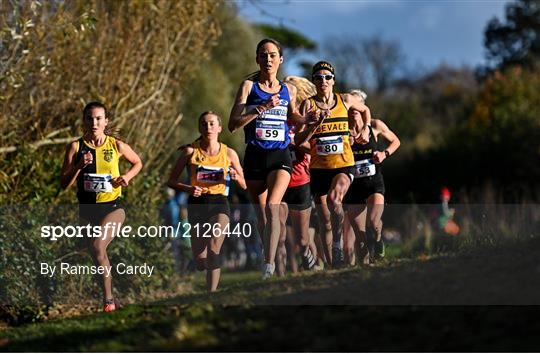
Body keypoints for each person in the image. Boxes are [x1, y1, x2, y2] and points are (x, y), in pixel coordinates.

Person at [228, 38, 308, 279]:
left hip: (280, 154)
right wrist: (260, 108)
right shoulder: (248, 87)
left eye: (272, 55)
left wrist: (308, 120)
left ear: (280, 60)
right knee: (263, 217)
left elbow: (293, 118)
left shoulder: (288, 90)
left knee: (273, 208)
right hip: (254, 155)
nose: (268, 59)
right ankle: (270, 256)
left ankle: (269, 265)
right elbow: (232, 125)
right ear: (257, 59)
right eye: (263, 55)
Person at [60, 101, 143, 312]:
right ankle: (110, 298)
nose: (94, 122)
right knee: (98, 256)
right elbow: (63, 184)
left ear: (106, 122)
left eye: (98, 118)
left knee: (98, 246)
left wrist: (126, 177)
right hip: (87, 210)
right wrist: (78, 166)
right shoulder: (75, 147)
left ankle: (108, 302)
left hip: (113, 207)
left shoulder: (115, 145)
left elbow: (138, 162)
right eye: (90, 118)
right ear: (84, 121)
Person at [294, 61, 371, 268]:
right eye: (318, 77)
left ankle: (337, 245)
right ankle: (332, 264)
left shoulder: (344, 99)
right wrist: (314, 125)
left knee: (336, 200)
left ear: (333, 80)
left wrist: (366, 129)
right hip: (319, 169)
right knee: (324, 220)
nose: (323, 81)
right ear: (314, 81)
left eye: (327, 77)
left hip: (343, 164)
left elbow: (365, 110)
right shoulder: (307, 105)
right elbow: (299, 142)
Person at [168, 111, 246, 292]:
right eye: (204, 124)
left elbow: (244, 185)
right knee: (200, 259)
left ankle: (211, 294)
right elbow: (171, 181)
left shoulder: (229, 153)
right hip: (197, 204)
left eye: (212, 124)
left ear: (219, 128)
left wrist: (235, 176)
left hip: (219, 202)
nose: (208, 127)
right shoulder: (190, 152)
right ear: (199, 128)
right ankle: (204, 265)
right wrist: (189, 188)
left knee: (213, 249)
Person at [344, 90, 401, 264]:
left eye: (358, 104)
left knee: (373, 223)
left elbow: (395, 141)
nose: (354, 108)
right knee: (360, 240)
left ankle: (377, 240)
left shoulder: (375, 125)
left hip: (374, 183)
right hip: (354, 187)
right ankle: (367, 275)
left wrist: (384, 154)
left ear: (364, 107)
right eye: (351, 104)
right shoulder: (343, 129)